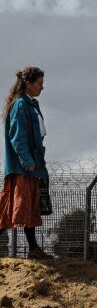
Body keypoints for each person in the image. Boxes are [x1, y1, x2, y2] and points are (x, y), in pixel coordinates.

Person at [2, 67, 53, 259]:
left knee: (29, 208)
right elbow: (18, 137)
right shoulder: (20, 106)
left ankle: (33, 249)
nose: (42, 87)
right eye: (39, 83)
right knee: (17, 209)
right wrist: (27, 161)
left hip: (33, 166)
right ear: (28, 84)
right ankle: (34, 249)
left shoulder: (32, 105)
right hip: (23, 168)